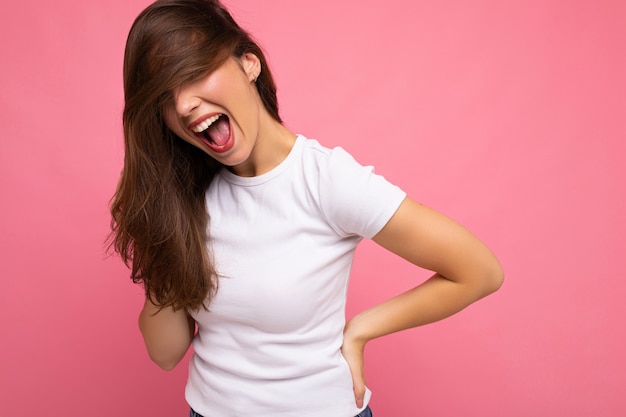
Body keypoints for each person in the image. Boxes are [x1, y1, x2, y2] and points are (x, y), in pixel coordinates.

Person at [109, 1, 504, 416]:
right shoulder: (187, 197)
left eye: (192, 73)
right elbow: (165, 352)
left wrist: (361, 329)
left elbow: (480, 272)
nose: (184, 104)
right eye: (164, 96)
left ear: (248, 64)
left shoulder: (325, 180)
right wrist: (158, 229)